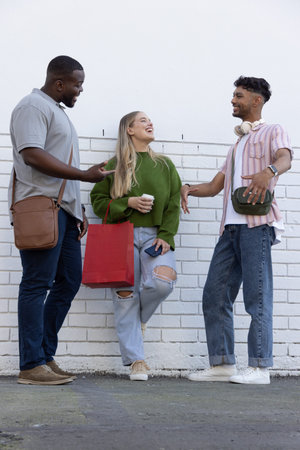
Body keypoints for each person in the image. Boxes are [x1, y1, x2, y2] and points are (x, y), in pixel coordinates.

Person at [9, 55, 114, 385]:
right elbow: (32, 154)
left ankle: (44, 355)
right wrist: (83, 176)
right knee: (36, 283)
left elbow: (58, 165)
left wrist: (77, 207)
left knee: (68, 282)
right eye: (77, 85)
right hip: (41, 208)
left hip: (64, 212)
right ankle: (30, 364)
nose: (79, 90)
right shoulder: (32, 106)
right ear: (59, 83)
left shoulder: (57, 113)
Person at [181, 76, 292, 384]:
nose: (233, 100)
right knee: (214, 295)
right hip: (230, 229)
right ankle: (222, 363)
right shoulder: (238, 143)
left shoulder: (272, 130)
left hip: (256, 227)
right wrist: (189, 189)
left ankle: (260, 367)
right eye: (233, 95)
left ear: (256, 100)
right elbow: (217, 185)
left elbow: (285, 158)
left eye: (239, 95)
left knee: (257, 298)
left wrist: (268, 171)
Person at [90, 111, 181, 381]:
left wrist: (166, 234)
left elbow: (174, 203)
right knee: (125, 297)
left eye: (150, 120)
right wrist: (126, 203)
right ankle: (136, 361)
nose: (150, 123)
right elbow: (97, 202)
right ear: (129, 130)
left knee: (162, 283)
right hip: (121, 235)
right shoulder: (113, 165)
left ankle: (139, 319)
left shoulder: (165, 165)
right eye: (142, 120)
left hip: (155, 236)